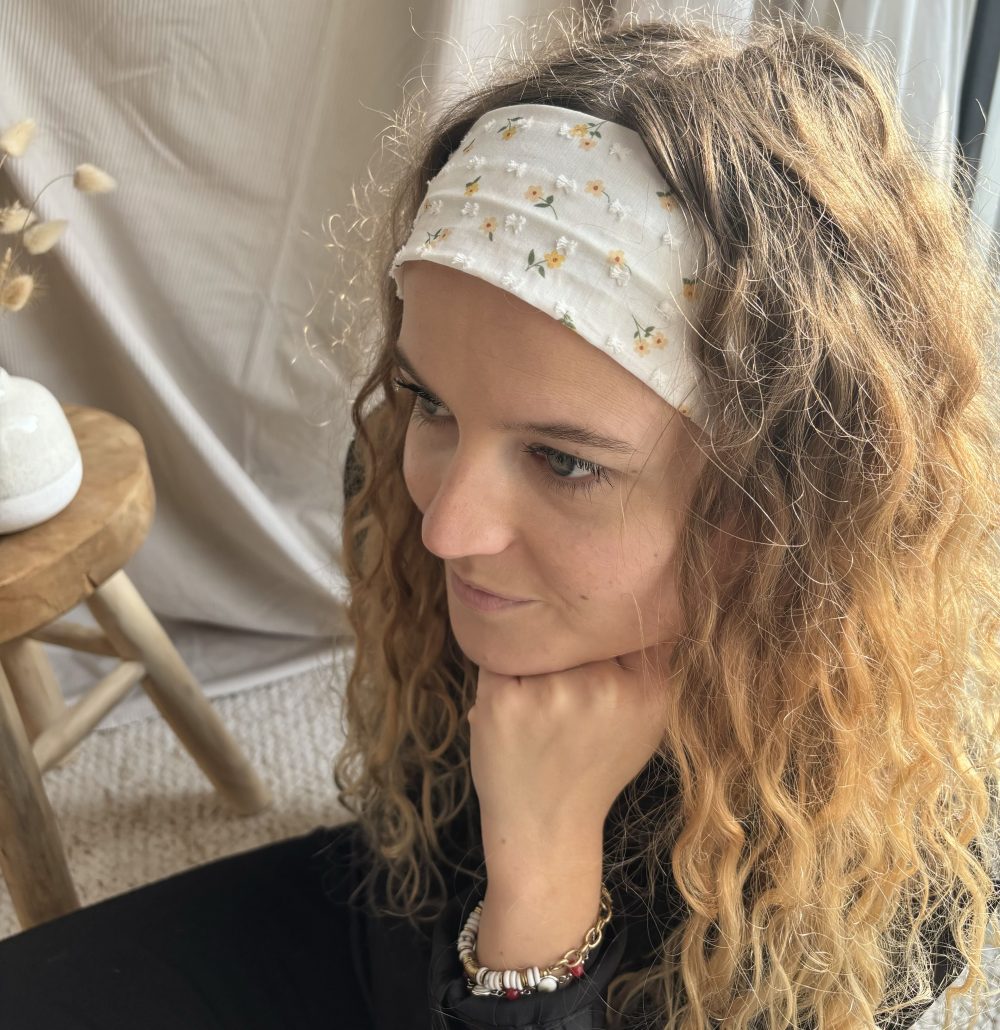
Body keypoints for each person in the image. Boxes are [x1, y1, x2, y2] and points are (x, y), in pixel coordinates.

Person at [2, 10, 999, 1030]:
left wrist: (545, 870)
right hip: (390, 925)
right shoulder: (395, 497)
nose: (445, 529)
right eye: (429, 401)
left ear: (779, 500)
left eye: (564, 461)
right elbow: (409, 850)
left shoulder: (900, 840)